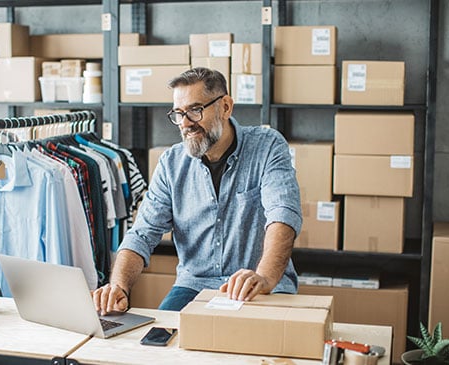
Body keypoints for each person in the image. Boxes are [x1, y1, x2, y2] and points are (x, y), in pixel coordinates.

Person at [93, 67, 301, 314]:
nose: (186, 124)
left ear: (225, 107)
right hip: (194, 287)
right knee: (158, 343)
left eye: (195, 110)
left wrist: (265, 277)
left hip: (258, 286)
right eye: (179, 114)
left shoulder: (267, 146)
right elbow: (142, 234)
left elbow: (283, 215)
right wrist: (118, 286)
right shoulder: (171, 163)